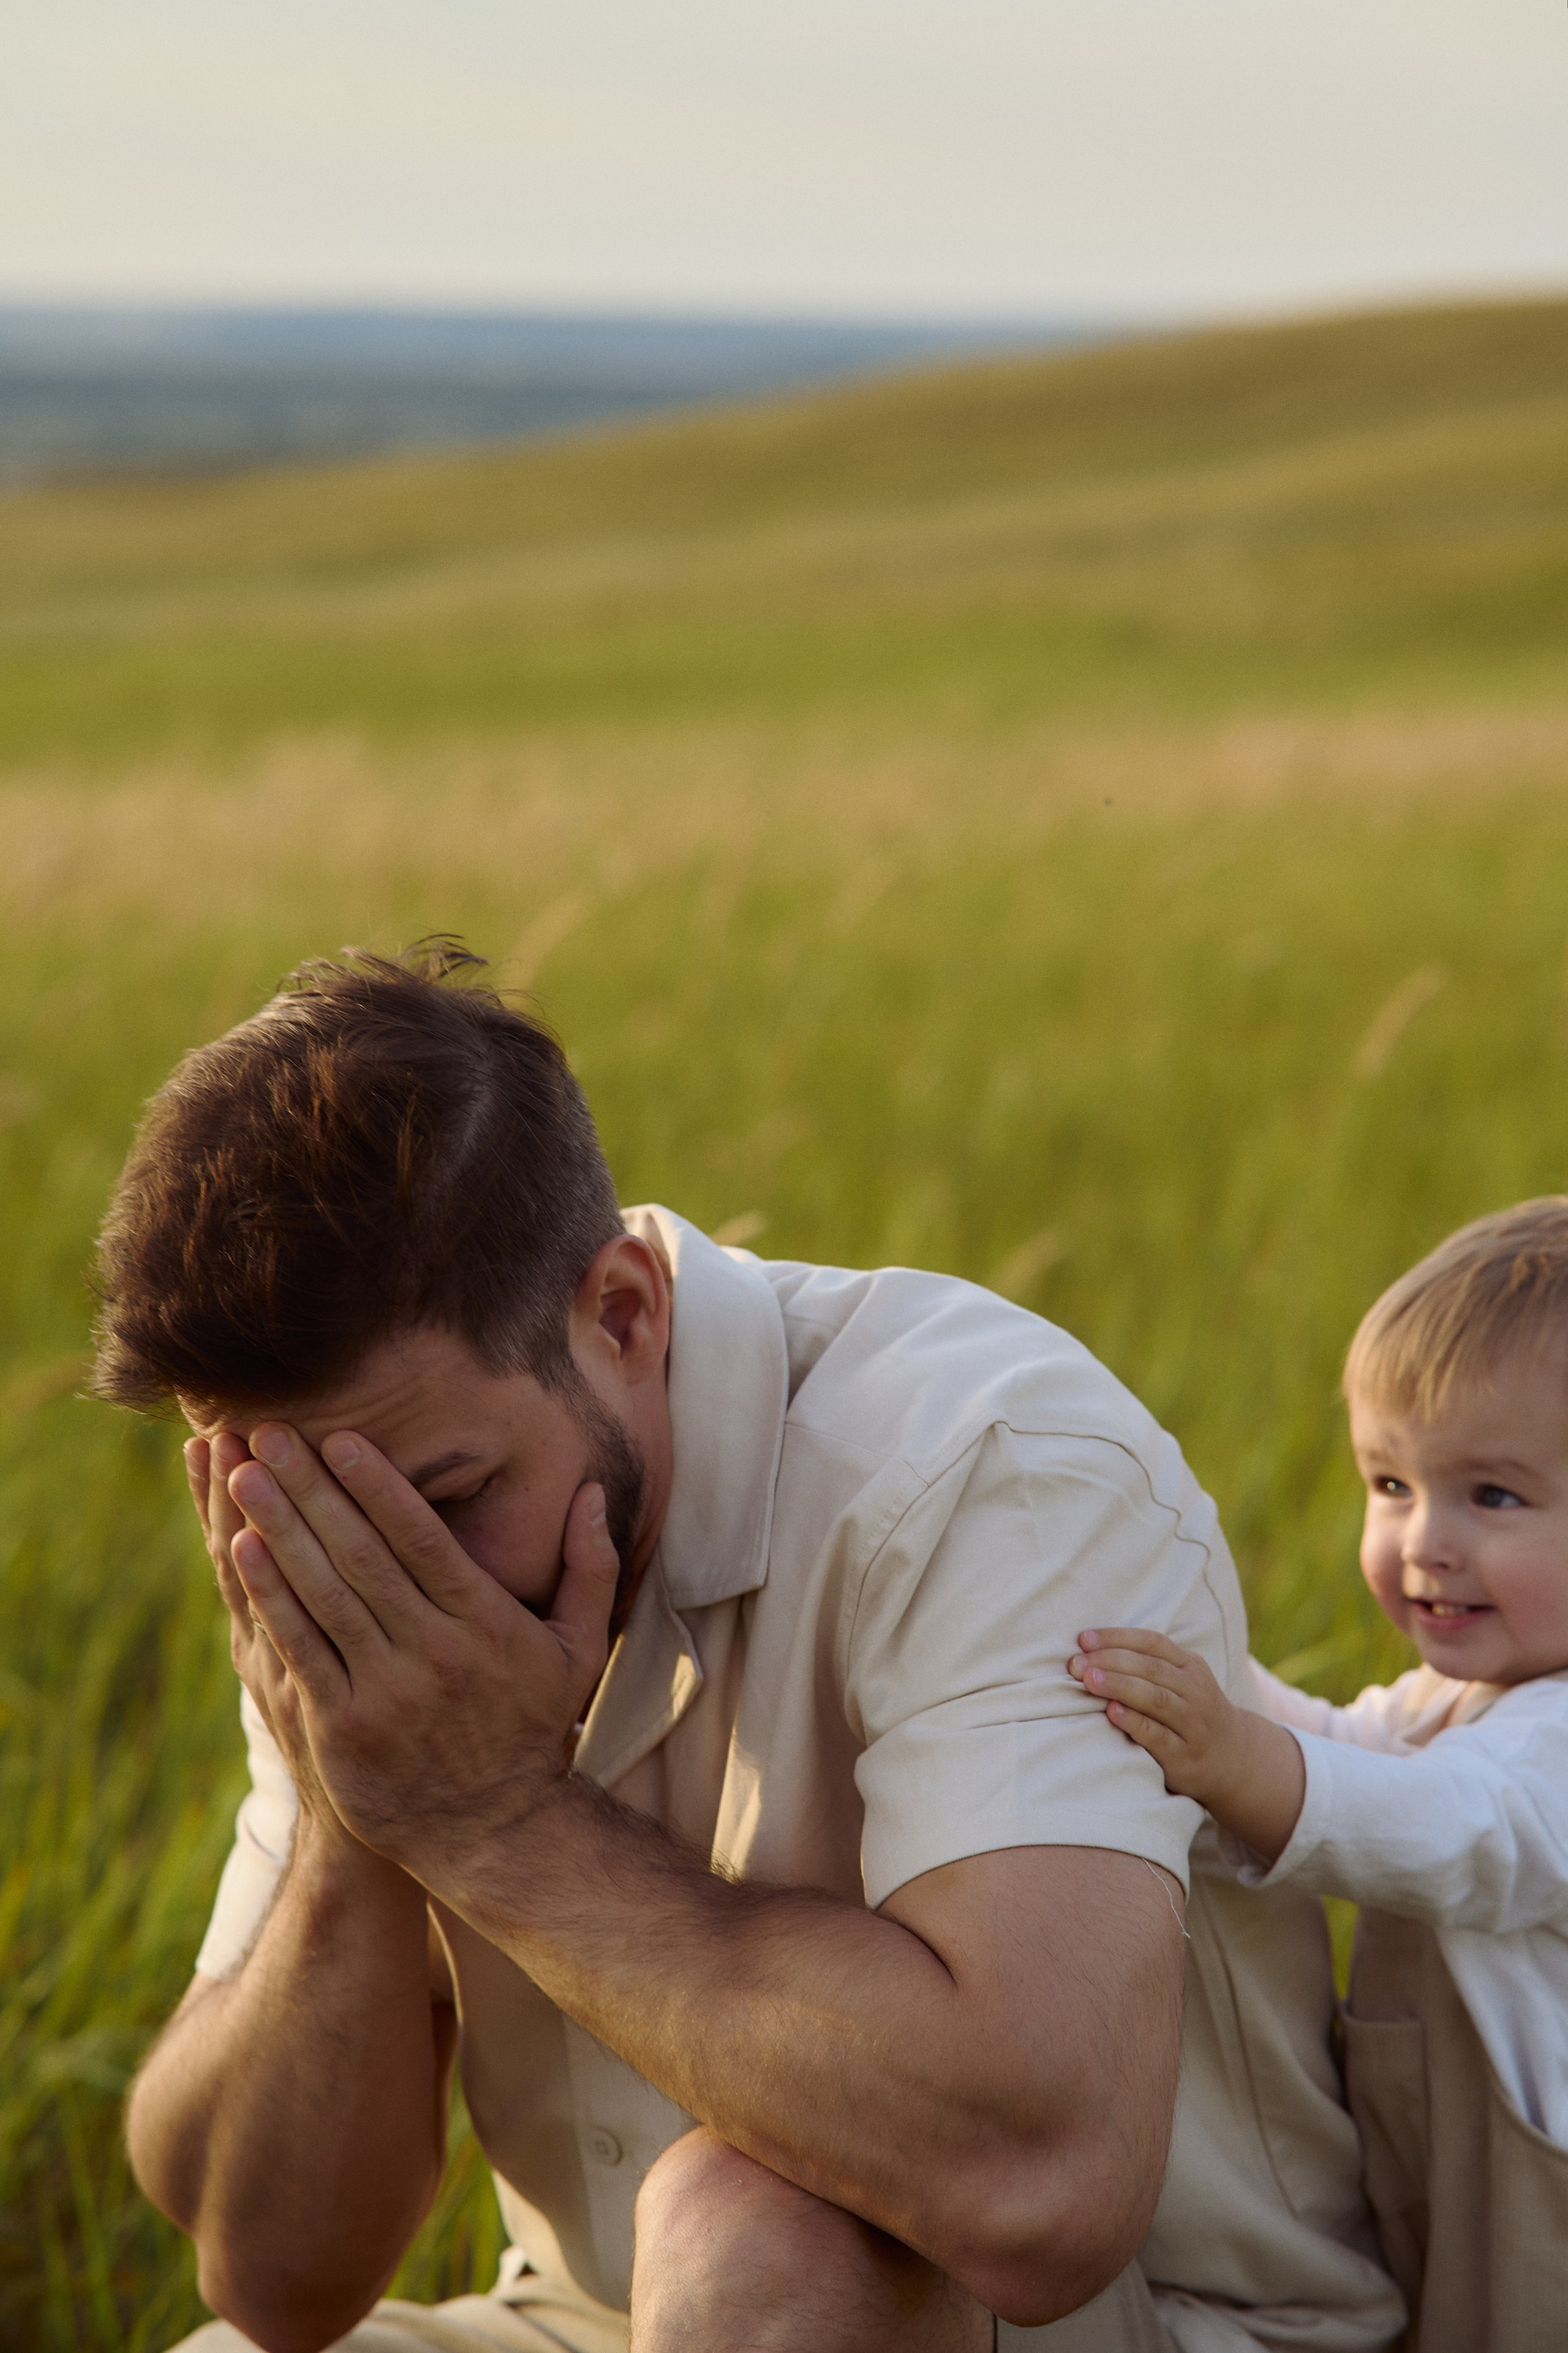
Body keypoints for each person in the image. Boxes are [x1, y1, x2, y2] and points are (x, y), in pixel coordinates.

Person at [99, 945, 1401, 2353]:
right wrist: (363, 1807)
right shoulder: (343, 1561)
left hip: (1154, 2325)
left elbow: (1041, 2190)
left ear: (621, 1314)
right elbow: (274, 2276)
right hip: (604, 2321)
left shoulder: (987, 1463)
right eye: (310, 1527)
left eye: (446, 1501)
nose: (392, 1596)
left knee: (757, 2233)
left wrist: (491, 1821)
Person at [1071, 1200, 1568, 2353]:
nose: (1423, 1541)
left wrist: (1236, 1753)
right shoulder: (1467, 1699)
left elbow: (1458, 1825)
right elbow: (1353, 1744)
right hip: (1450, 2162)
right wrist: (1211, 1673)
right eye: (1390, 1483)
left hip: (1538, 2209)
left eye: (1492, 1494)